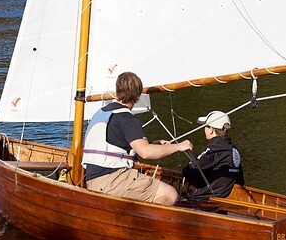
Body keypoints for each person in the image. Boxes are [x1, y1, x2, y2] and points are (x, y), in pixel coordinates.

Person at [82, 72, 193, 206]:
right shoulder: (127, 119)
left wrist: (154, 145)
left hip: (92, 181)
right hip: (112, 181)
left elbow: (115, 144)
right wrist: (179, 146)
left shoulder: (101, 113)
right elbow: (146, 152)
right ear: (138, 95)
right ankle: (140, 224)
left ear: (117, 90)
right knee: (169, 194)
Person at [182, 110, 245, 199]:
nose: (204, 129)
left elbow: (187, 171)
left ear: (211, 130)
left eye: (205, 126)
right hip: (223, 197)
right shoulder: (234, 150)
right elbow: (240, 181)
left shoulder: (212, 150)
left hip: (203, 197)